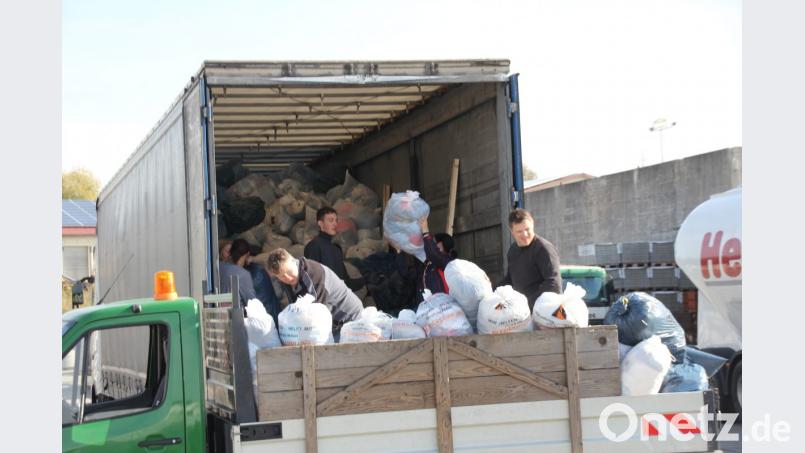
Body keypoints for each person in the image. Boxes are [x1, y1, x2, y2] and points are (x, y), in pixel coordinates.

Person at [267, 248, 363, 336]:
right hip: (333, 322)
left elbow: (316, 317)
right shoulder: (289, 281)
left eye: (289, 271)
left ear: (293, 261)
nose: (288, 278)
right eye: (282, 276)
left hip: (349, 318)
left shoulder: (313, 274)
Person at [499, 209, 562, 309]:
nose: (524, 234)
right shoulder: (513, 251)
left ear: (533, 226)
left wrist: (526, 303)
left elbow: (553, 285)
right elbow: (510, 280)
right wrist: (490, 290)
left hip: (544, 312)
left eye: (527, 229)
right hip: (522, 313)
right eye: (519, 231)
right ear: (512, 232)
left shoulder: (543, 249)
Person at [394, 215, 457, 305]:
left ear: (442, 245)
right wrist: (399, 250)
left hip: (444, 309)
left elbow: (433, 254)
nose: (432, 245)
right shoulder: (427, 266)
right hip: (427, 312)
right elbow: (408, 274)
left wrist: (425, 231)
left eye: (434, 242)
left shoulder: (448, 263)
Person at [303, 207, 365, 291]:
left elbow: (346, 283)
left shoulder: (336, 249)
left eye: (336, 220)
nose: (335, 224)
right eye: (331, 220)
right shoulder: (314, 246)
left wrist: (366, 280)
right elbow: (312, 280)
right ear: (321, 224)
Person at [219, 239, 258, 306]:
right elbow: (252, 303)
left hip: (216, 311)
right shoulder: (244, 274)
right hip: (235, 314)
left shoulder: (218, 267)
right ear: (247, 254)